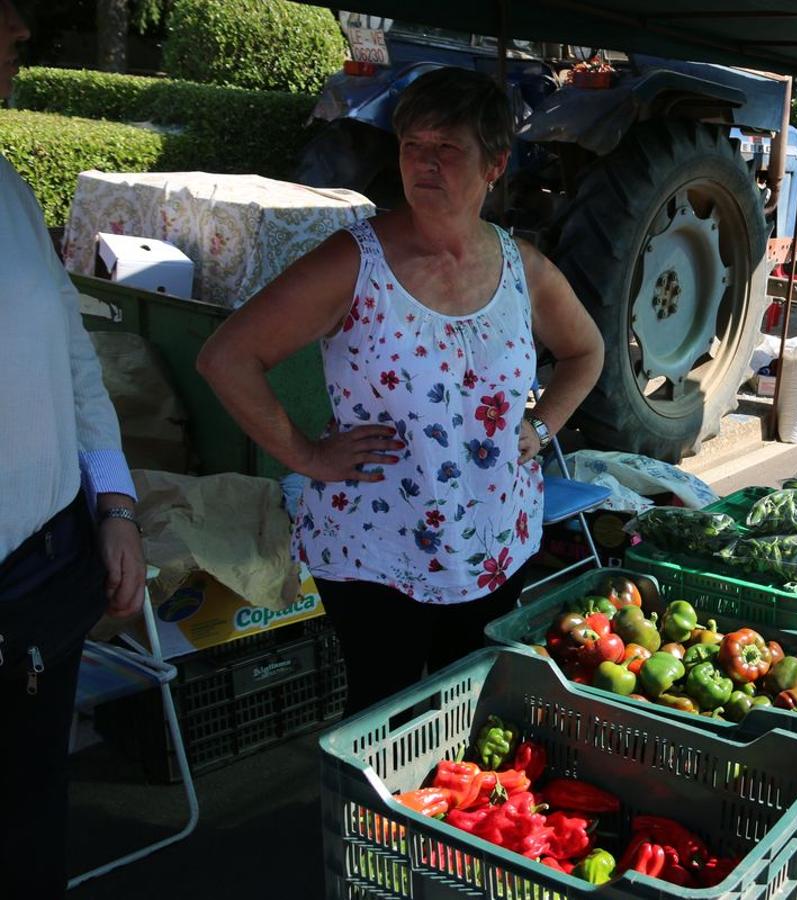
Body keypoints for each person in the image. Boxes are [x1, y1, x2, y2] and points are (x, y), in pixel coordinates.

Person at [199, 67, 604, 714]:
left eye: (448, 149)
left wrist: (542, 426)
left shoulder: (522, 268)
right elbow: (228, 357)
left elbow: (587, 352)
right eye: (414, 145)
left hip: (494, 541)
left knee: (471, 714)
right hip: (376, 552)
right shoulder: (352, 264)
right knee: (386, 719)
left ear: (494, 165)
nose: (426, 163)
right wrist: (307, 457)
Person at [0, 2, 146, 896]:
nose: (22, 26)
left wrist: (115, 503)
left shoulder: (10, 189)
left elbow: (74, 360)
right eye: (1, 11)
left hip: (41, 587)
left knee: (30, 810)